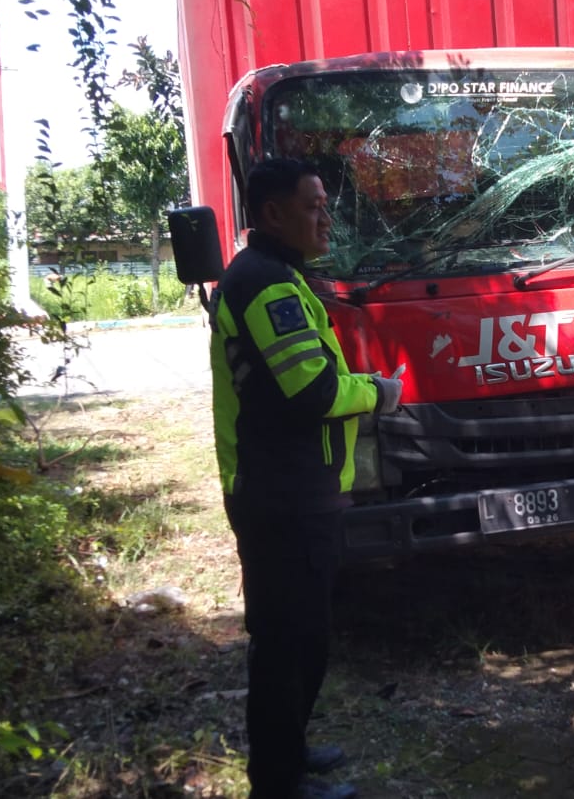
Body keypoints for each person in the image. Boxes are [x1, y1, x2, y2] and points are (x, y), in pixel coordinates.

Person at [208, 158, 402, 799]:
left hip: (293, 490)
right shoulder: (267, 284)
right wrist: (376, 392)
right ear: (271, 214)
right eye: (313, 205)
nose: (326, 217)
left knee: (301, 636)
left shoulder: (276, 274)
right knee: (288, 642)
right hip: (282, 495)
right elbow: (312, 392)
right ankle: (278, 781)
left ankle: (288, 750)